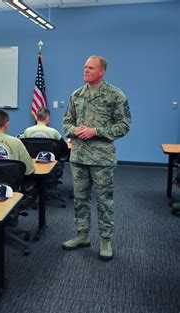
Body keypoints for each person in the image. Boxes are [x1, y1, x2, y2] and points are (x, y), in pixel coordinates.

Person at [62, 55, 131, 261]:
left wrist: (96, 131)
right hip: (79, 156)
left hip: (101, 159)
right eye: (84, 67)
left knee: (104, 202)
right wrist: (75, 130)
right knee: (80, 199)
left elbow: (124, 125)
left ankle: (106, 241)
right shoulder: (76, 95)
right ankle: (82, 235)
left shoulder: (115, 95)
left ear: (102, 72)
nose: (85, 71)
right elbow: (66, 123)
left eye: (90, 68)